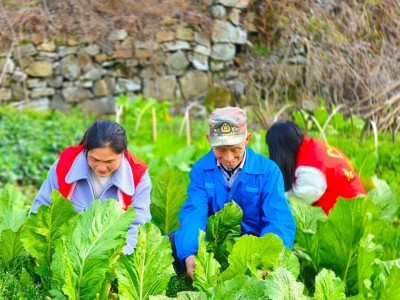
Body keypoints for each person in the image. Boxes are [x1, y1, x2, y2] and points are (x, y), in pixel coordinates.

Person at [170, 107, 296, 280]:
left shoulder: (268, 171)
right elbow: (194, 213)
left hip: (252, 250)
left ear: (247, 139)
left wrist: (268, 258)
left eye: (235, 149)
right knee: (171, 244)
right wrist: (191, 253)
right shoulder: (201, 169)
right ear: (209, 141)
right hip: (215, 247)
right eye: (221, 150)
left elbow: (278, 219)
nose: (229, 158)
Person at [30, 120, 152, 254]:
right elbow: (42, 207)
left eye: (109, 161)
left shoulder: (138, 177)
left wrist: (119, 257)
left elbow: (138, 225)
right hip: (64, 251)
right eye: (94, 159)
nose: (101, 167)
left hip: (111, 255)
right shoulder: (65, 166)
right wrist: (39, 250)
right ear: (86, 150)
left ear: (122, 154)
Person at [266, 120, 366, 215]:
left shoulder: (310, 167)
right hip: (353, 204)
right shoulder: (311, 147)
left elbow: (297, 202)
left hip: (348, 215)